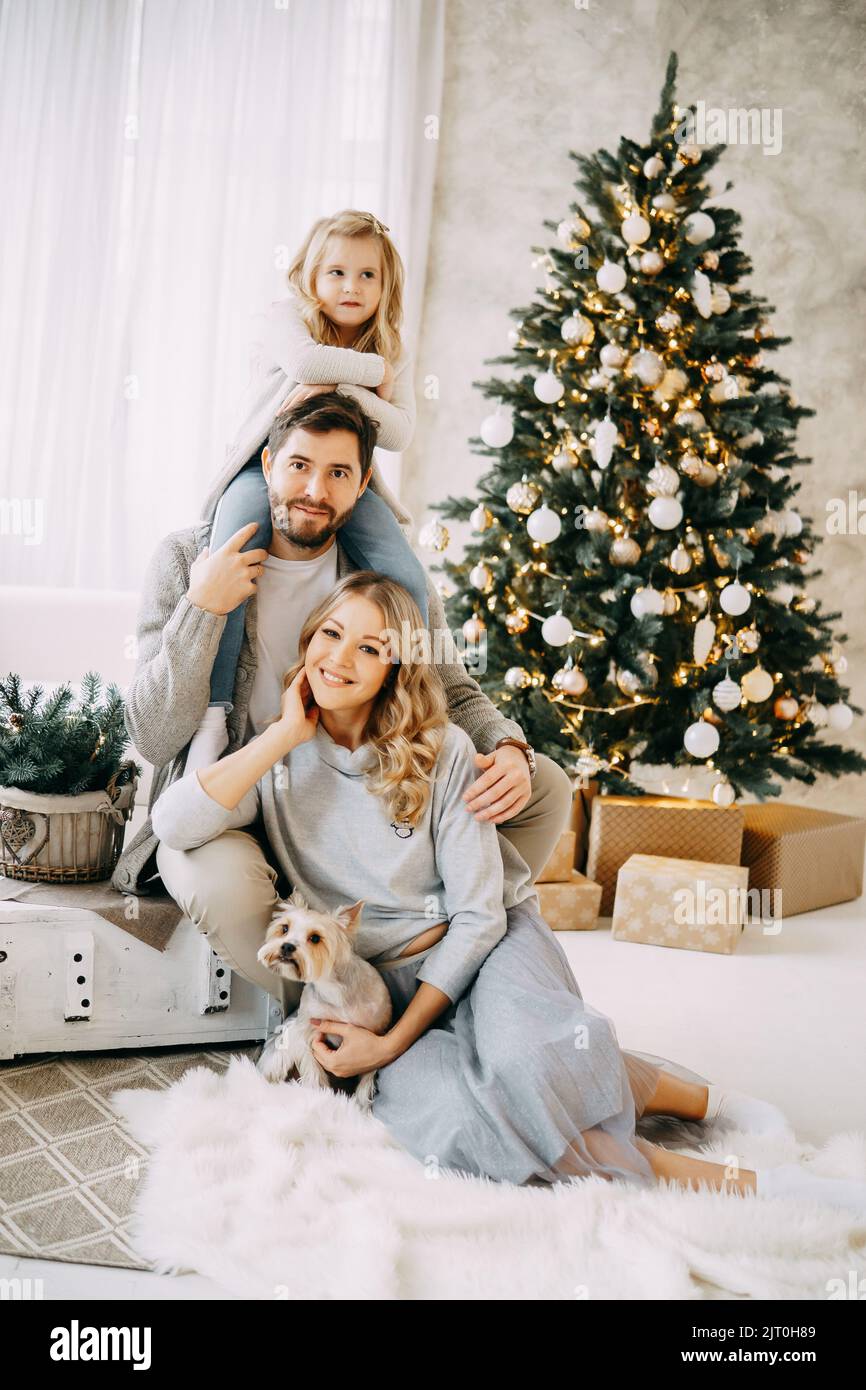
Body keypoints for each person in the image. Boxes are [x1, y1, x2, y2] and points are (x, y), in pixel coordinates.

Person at [149, 572, 866, 1214]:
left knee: (529, 1065)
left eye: (369, 648)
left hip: (488, 946)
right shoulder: (272, 754)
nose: (340, 657)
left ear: (394, 665)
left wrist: (391, 1045)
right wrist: (283, 735)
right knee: (461, 1124)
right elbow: (173, 822)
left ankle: (743, 1153)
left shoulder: (443, 750)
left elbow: (478, 915)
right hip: (380, 981)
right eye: (331, 634)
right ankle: (722, 1151)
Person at [111, 393, 574, 1000]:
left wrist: (508, 747)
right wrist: (204, 607)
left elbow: (449, 688)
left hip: (352, 786)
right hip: (240, 786)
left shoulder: (386, 576)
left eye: (338, 474)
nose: (314, 490)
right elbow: (152, 734)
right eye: (299, 465)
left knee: (543, 787)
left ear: (361, 491)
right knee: (215, 882)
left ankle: (441, 953)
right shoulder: (187, 559)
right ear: (268, 464)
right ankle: (344, 1007)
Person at [186, 207, 428, 771]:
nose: (352, 286)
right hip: (265, 467)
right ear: (310, 276)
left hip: (343, 474)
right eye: (337, 272)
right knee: (234, 554)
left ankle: (410, 702)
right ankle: (214, 716)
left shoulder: (393, 342)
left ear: (386, 284)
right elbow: (302, 360)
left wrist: (334, 382)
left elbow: (398, 431)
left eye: (368, 275)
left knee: (409, 576)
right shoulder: (283, 318)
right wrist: (373, 377)